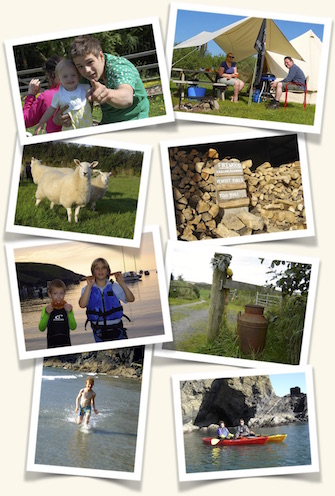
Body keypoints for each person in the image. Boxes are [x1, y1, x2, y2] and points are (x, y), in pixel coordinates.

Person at [54, 35, 149, 127]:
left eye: (90, 62)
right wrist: (61, 118)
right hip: (108, 122)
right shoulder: (82, 75)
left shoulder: (119, 67)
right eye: (80, 66)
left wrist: (107, 94)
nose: (87, 70)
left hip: (135, 119)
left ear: (101, 56)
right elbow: (84, 103)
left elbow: (127, 98)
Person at [79, 257, 135, 342]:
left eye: (103, 268)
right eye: (97, 268)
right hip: (98, 331)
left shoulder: (115, 287)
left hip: (117, 328)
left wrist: (122, 283)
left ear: (108, 271)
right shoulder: (87, 288)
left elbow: (131, 299)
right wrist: (89, 286)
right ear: (93, 272)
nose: (100, 271)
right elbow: (82, 305)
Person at [34, 59, 93, 134]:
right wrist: (42, 122)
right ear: (59, 79)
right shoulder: (58, 96)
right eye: (65, 76)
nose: (70, 78)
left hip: (87, 128)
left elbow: (95, 93)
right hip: (69, 131)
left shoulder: (85, 88)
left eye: (73, 75)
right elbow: (51, 110)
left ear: (78, 76)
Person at [23, 55, 62, 134]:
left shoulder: (46, 96)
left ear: (49, 75)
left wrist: (30, 95)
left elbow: (24, 121)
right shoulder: (80, 90)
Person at [38, 279, 77, 348]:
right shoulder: (46, 309)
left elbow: (73, 327)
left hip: (66, 345)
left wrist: (70, 313)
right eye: (55, 293)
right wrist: (47, 314)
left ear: (64, 294)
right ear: (50, 294)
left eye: (61, 293)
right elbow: (41, 328)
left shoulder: (67, 308)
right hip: (51, 346)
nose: (58, 296)